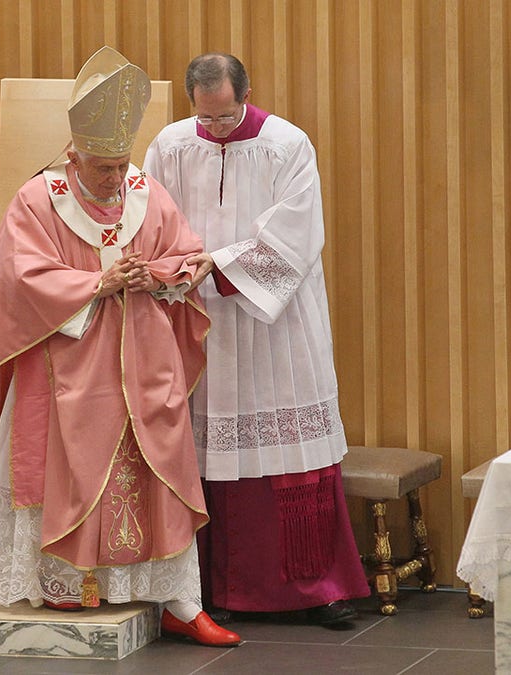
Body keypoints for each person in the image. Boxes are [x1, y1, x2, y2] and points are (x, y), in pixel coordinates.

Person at [0, 46, 239, 648]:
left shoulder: (144, 191)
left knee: (160, 465)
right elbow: (19, 279)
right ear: (73, 154)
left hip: (144, 357)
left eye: (121, 164)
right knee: (71, 464)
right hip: (67, 362)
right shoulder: (38, 201)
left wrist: (156, 277)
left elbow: (187, 256)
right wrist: (95, 284)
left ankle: (176, 599)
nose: (115, 179)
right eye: (102, 168)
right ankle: (69, 581)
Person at [143, 53, 369, 625]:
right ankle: (203, 590)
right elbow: (150, 220)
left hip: (276, 325)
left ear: (245, 94)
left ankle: (312, 589)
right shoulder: (170, 146)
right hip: (198, 320)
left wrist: (215, 266)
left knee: (288, 450)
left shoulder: (287, 145)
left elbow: (296, 236)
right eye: (206, 117)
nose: (216, 128)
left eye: (226, 115)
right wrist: (173, 269)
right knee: (202, 447)